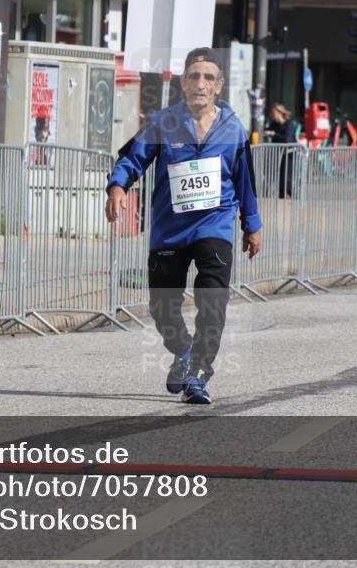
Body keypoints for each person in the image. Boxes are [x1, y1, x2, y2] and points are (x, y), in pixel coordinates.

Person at [105, 47, 262, 404]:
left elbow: (246, 181)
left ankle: (199, 374)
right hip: (169, 230)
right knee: (163, 309)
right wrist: (117, 186)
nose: (201, 84)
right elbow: (132, 158)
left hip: (214, 226)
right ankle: (183, 351)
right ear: (183, 83)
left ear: (219, 85)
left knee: (212, 302)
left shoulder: (234, 129)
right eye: (194, 76)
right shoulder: (164, 123)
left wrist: (252, 225)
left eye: (208, 77)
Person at [266, 103, 298, 198]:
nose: (272, 115)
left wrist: (273, 134)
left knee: (287, 179)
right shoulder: (274, 124)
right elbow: (266, 130)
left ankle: (296, 197)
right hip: (278, 153)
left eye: (273, 113)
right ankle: (281, 198)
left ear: (279, 113)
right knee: (280, 178)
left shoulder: (289, 124)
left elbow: (287, 139)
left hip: (290, 153)